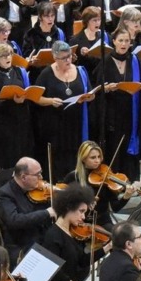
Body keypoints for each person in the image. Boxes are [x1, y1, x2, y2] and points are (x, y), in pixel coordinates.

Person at [34, 40, 94, 178]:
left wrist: (89, 97)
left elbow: (90, 92)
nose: (68, 60)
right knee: (58, 160)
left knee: (75, 156)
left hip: (76, 123)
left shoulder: (80, 71)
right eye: (64, 58)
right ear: (55, 58)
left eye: (70, 56)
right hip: (55, 125)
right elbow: (35, 98)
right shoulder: (46, 74)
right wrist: (50, 100)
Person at [99, 26, 141, 180]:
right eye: (120, 40)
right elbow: (96, 88)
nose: (123, 44)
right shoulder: (105, 61)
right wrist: (106, 88)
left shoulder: (134, 60)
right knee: (114, 147)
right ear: (114, 41)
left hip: (131, 112)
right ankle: (114, 182)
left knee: (130, 146)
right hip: (112, 114)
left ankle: (130, 182)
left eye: (127, 41)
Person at [0, 42, 34, 169]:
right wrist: (12, 101)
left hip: (21, 120)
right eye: (4, 56)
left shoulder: (19, 71)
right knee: (8, 158)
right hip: (3, 123)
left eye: (9, 54)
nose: (8, 58)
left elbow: (26, 90)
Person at [65, 140, 140, 231]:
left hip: (103, 221)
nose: (97, 161)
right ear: (83, 159)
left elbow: (115, 208)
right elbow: (65, 204)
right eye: (93, 158)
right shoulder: (73, 177)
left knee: (118, 238)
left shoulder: (106, 176)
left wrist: (126, 196)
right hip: (79, 222)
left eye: (99, 157)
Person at [0, 157, 56, 258]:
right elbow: (14, 220)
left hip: (42, 236)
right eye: (37, 175)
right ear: (23, 177)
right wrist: (46, 213)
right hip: (22, 243)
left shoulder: (37, 189)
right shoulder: (5, 194)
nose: (41, 178)